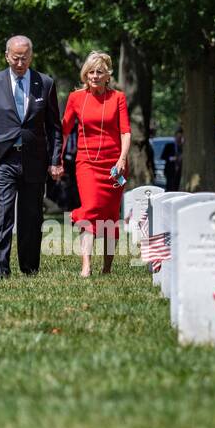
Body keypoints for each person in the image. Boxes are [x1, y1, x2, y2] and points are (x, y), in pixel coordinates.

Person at [0, 34, 62, 278]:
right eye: (15, 58)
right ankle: (1, 270)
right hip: (4, 160)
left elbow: (54, 127)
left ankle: (30, 267)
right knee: (4, 214)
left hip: (35, 160)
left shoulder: (45, 83)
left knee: (32, 216)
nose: (20, 63)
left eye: (24, 58)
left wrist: (55, 161)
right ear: (7, 56)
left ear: (31, 57)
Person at [62, 51, 130, 276]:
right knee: (90, 209)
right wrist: (57, 158)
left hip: (114, 166)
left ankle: (107, 268)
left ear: (107, 75)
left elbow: (125, 132)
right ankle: (86, 266)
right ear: (85, 75)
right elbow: (64, 130)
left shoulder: (118, 98)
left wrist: (122, 159)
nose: (94, 76)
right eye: (90, 72)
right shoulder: (76, 98)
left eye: (99, 72)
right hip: (87, 163)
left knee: (110, 214)